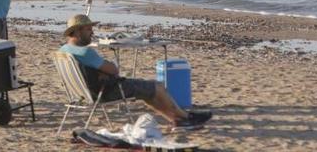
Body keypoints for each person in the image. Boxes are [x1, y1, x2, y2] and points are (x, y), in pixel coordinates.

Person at [59, 14, 212, 128]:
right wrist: (106, 70)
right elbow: (113, 70)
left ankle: (177, 119)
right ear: (78, 32)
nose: (92, 32)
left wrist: (100, 72)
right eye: (88, 29)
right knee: (157, 87)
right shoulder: (85, 53)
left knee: (148, 91)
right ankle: (186, 116)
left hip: (80, 94)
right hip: (105, 92)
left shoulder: (63, 51)